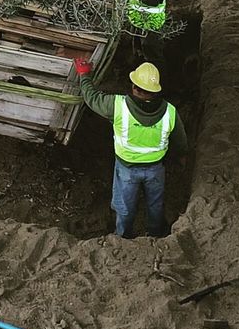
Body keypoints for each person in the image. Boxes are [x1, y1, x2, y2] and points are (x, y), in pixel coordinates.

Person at [74, 59, 186, 238]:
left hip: (127, 170)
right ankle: (155, 235)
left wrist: (84, 74)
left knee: (124, 208)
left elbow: (92, 98)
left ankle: (123, 237)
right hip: (156, 169)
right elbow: (180, 142)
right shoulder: (170, 111)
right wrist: (181, 160)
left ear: (134, 87)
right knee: (155, 205)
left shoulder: (117, 106)